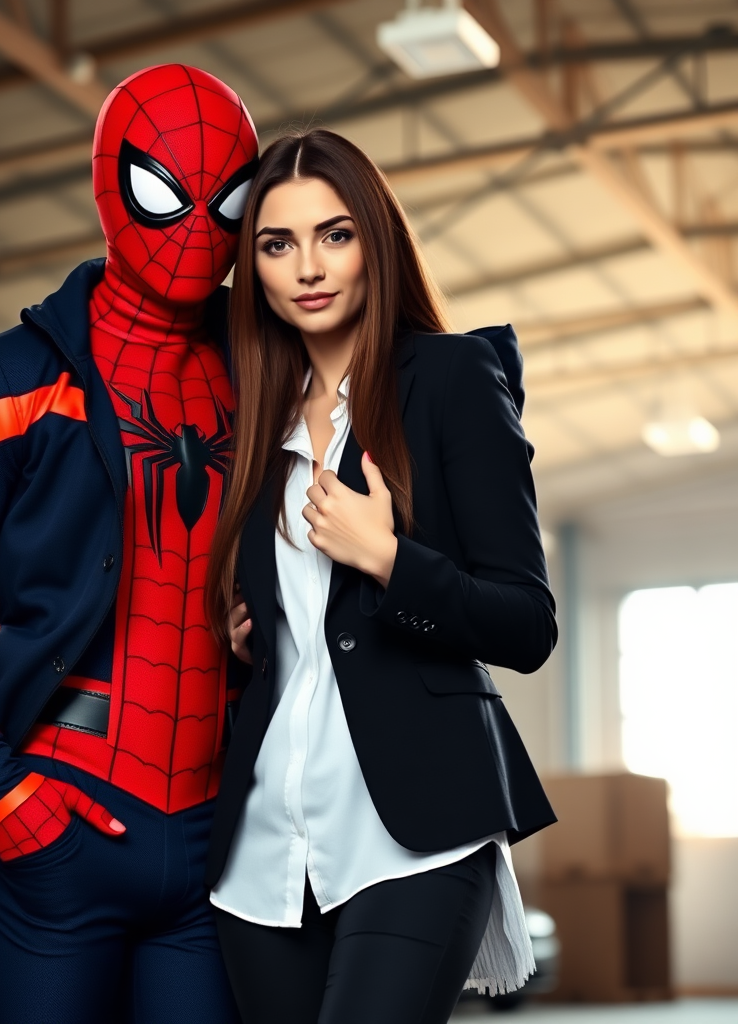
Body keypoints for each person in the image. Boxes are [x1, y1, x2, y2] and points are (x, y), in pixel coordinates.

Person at [0, 64, 258, 1024]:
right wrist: (2, 796)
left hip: (223, 844)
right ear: (108, 185)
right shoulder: (2, 380)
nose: (199, 229)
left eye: (229, 200)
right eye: (166, 195)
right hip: (59, 825)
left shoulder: (270, 380)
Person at [202, 128, 558, 1024]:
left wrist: (390, 560)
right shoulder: (251, 419)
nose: (307, 268)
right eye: (277, 245)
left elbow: (526, 623)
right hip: (265, 851)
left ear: (376, 239)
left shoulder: (450, 379)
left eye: (335, 234)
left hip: (413, 833)